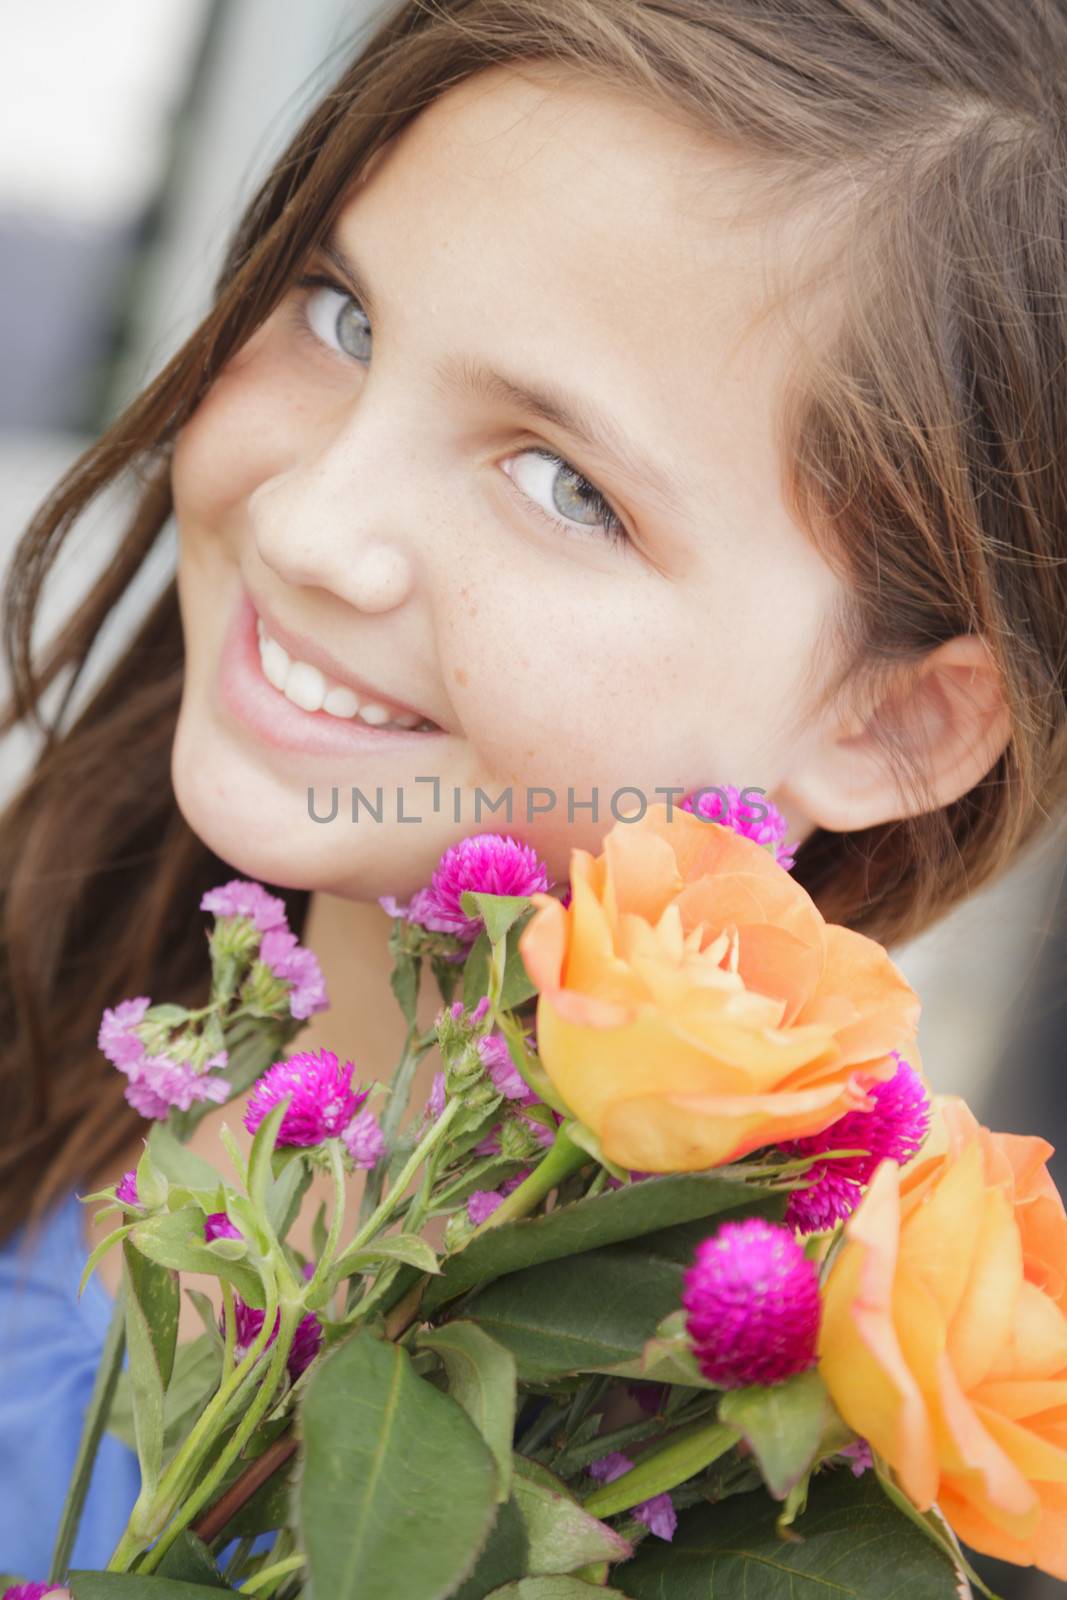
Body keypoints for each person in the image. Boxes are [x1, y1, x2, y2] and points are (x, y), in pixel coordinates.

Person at [1, 0, 1065, 1584]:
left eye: (565, 485)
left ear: (896, 720)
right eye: (342, 313)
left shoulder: (710, 1502)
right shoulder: (57, 974)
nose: (310, 525)